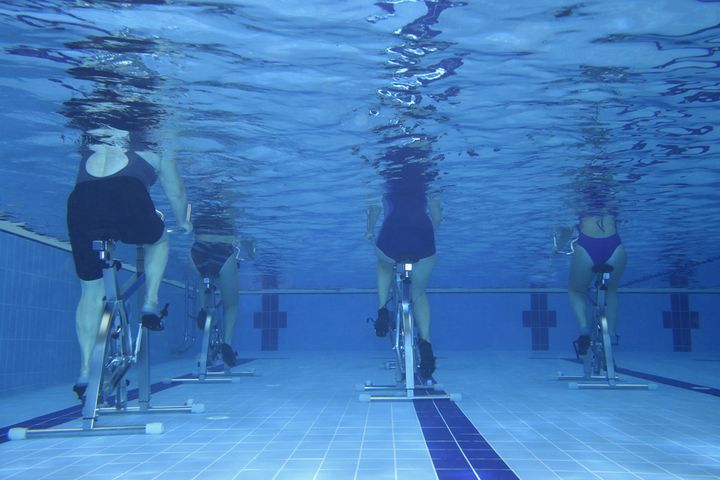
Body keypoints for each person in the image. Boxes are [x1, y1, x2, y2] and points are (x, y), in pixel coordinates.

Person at [66, 125, 192, 399]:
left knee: (89, 290)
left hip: (81, 201)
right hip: (127, 193)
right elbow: (177, 194)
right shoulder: (157, 139)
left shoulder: (94, 138)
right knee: (158, 241)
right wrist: (183, 222)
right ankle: (150, 303)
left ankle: (85, 371)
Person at [365, 157, 442, 379]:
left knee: (383, 262)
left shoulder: (386, 174)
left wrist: (369, 231)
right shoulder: (431, 176)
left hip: (392, 235)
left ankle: (381, 310)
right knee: (418, 294)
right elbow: (436, 215)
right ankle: (426, 346)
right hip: (422, 237)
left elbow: (373, 209)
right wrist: (426, 235)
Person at [567, 166, 626, 355]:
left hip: (586, 247)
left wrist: (557, 248)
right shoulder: (614, 199)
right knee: (611, 290)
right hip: (615, 247)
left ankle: (584, 328)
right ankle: (613, 333)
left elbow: (565, 230)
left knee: (576, 290)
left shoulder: (577, 200)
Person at [190, 209, 254, 368]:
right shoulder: (231, 207)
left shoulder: (201, 201)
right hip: (223, 251)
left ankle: (203, 308)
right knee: (231, 304)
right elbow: (248, 245)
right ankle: (227, 345)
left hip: (197, 250)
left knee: (204, 281)